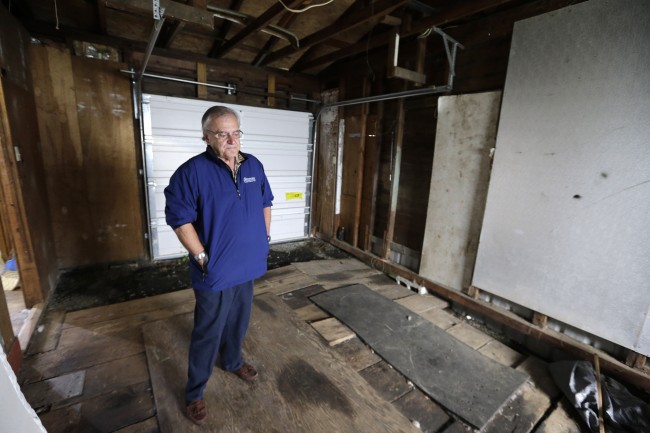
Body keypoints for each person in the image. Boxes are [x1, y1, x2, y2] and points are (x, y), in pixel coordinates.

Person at [164, 105, 273, 425]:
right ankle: (195, 392)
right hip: (215, 269)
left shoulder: (253, 164)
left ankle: (233, 361)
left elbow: (266, 203)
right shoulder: (191, 173)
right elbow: (180, 220)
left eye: (236, 132)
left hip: (248, 264)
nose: (231, 139)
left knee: (239, 320)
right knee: (207, 331)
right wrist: (200, 256)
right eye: (222, 133)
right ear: (206, 136)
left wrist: (263, 239)